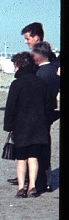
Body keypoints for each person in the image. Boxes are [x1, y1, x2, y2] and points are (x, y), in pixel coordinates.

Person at [3, 52, 53, 198]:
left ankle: (20, 188)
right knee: (33, 156)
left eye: (15, 66)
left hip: (21, 126)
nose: (14, 69)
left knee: (21, 158)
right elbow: (49, 105)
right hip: (38, 126)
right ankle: (32, 186)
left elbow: (10, 107)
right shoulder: (41, 83)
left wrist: (9, 126)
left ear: (19, 66)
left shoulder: (17, 84)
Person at [32, 42, 60, 193]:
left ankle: (41, 180)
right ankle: (47, 180)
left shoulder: (40, 73)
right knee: (46, 145)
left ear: (37, 56)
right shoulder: (54, 71)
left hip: (39, 112)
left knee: (38, 147)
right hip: (49, 111)